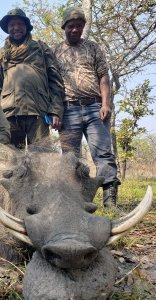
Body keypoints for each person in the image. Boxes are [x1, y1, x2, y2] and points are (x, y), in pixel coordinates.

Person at [53, 7, 121, 207]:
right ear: (64, 27)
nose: (75, 30)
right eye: (71, 26)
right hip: (68, 110)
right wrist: (54, 112)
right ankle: (76, 201)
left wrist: (106, 104)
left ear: (83, 27)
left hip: (94, 107)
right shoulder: (54, 51)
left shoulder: (93, 47)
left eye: (79, 26)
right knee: (70, 159)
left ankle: (110, 202)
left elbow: (103, 77)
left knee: (103, 153)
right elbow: (50, 83)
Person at [0, 8, 64, 148]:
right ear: (7, 28)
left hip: (38, 113)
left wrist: (55, 111)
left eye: (20, 24)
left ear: (26, 27)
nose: (16, 28)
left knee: (42, 161)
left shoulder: (41, 49)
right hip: (9, 115)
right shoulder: (1, 54)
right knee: (10, 162)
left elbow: (55, 80)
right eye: (12, 25)